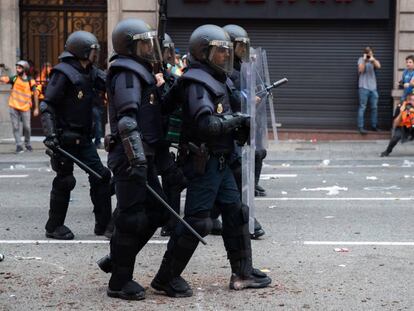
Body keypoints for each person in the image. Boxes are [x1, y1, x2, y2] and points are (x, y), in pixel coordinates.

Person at [150, 24, 271, 298]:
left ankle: (243, 272)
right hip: (203, 161)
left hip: (220, 160)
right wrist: (236, 121)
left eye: (225, 52)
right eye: (218, 53)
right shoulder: (197, 82)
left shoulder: (218, 77)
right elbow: (205, 123)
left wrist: (239, 125)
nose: (224, 57)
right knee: (197, 221)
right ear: (203, 53)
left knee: (235, 212)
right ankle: (165, 278)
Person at [101, 18, 171, 300]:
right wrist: (138, 161)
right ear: (129, 47)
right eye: (142, 44)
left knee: (157, 213)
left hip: (142, 155)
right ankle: (119, 281)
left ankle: (115, 258)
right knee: (131, 219)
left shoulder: (140, 72)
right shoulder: (127, 74)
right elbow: (127, 122)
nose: (148, 48)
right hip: (131, 157)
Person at [39, 30, 112, 240]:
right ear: (81, 51)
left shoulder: (89, 71)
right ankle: (53, 227)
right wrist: (51, 135)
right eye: (92, 51)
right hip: (65, 138)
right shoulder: (62, 73)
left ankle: (104, 224)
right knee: (65, 180)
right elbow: (47, 105)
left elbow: (108, 82)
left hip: (83, 138)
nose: (94, 55)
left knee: (102, 176)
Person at [0, 60, 39, 153]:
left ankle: (28, 144)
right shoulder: (14, 78)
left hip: (25, 107)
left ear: (24, 69)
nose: (17, 69)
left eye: (19, 68)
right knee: (15, 126)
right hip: (13, 106)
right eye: (17, 67)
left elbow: (35, 94)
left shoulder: (30, 81)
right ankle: (19, 145)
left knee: (27, 127)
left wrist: (36, 108)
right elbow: (4, 79)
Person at [380, 92, 414, 157]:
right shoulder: (401, 106)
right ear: (407, 100)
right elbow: (395, 123)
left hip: (412, 126)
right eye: (411, 100)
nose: (412, 102)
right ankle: (387, 151)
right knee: (396, 137)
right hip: (402, 127)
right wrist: (401, 113)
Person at [357, 46, 381, 135]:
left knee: (374, 108)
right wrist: (365, 60)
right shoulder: (361, 59)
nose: (368, 54)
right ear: (364, 54)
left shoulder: (373, 60)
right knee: (362, 107)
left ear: (372, 53)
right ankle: (361, 127)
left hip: (373, 88)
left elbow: (379, 66)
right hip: (363, 87)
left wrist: (372, 59)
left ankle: (374, 126)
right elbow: (360, 70)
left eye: (370, 53)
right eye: (367, 53)